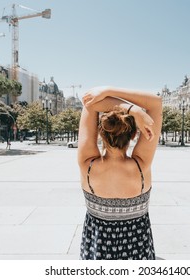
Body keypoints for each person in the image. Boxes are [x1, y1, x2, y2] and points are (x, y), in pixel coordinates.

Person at [77, 86, 162, 260]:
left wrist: (133, 110)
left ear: (101, 132)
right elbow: (156, 103)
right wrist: (111, 92)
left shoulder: (88, 166)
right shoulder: (141, 167)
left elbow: (89, 103)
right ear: (133, 135)